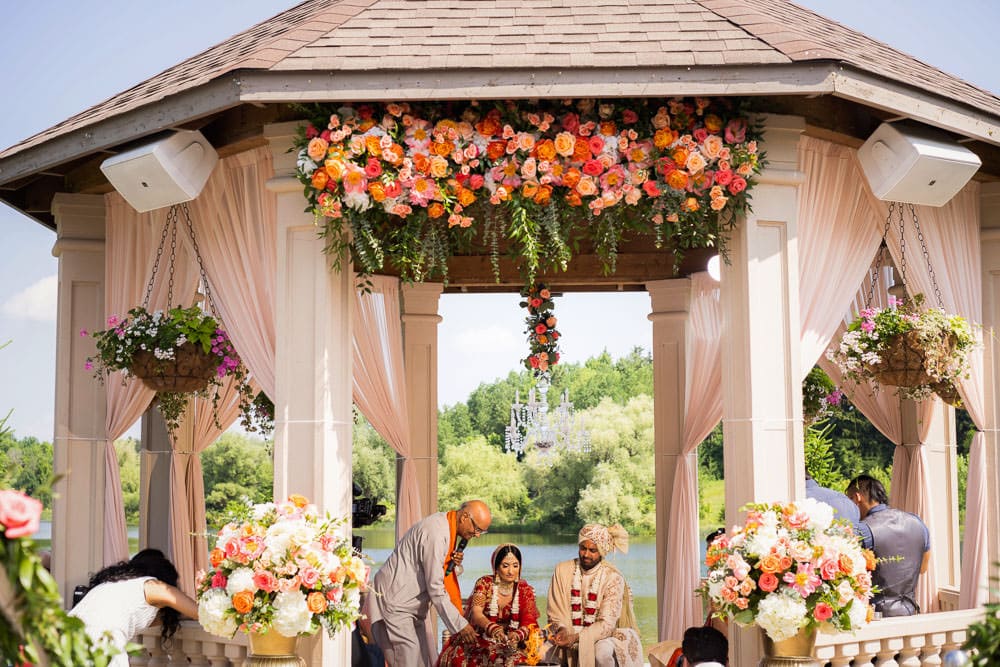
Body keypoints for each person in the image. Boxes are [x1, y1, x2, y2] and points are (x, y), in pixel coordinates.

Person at [369, 499, 492, 666]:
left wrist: (453, 565)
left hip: (412, 606)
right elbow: (435, 586)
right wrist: (460, 624)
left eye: (482, 532)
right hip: (395, 601)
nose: (477, 535)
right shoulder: (436, 533)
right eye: (477, 529)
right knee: (408, 661)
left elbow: (437, 573)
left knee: (423, 662)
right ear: (464, 517)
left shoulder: (448, 529)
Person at [68, 548, 199, 666]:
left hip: (67, 640)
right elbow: (199, 612)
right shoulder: (155, 587)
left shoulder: (112, 585)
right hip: (101, 645)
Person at [545, 523, 643, 667]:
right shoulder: (562, 570)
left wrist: (577, 637)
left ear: (602, 552)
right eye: (583, 548)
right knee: (542, 651)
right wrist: (562, 630)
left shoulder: (613, 578)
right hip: (567, 633)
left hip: (603, 636)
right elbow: (555, 611)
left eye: (593, 550)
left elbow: (606, 624)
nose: (586, 554)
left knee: (601, 652)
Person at [437, 543, 540, 666]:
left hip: (512, 642)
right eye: (505, 566)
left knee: (518, 661)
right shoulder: (484, 583)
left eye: (515, 566)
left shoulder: (524, 589)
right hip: (481, 638)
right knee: (471, 659)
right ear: (496, 567)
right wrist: (493, 628)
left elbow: (529, 620)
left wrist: (517, 635)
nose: (511, 571)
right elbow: (476, 614)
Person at [846, 474, 930, 616]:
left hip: (877, 616)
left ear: (857, 497)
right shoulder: (917, 522)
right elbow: (922, 568)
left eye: (849, 500)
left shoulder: (864, 530)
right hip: (910, 612)